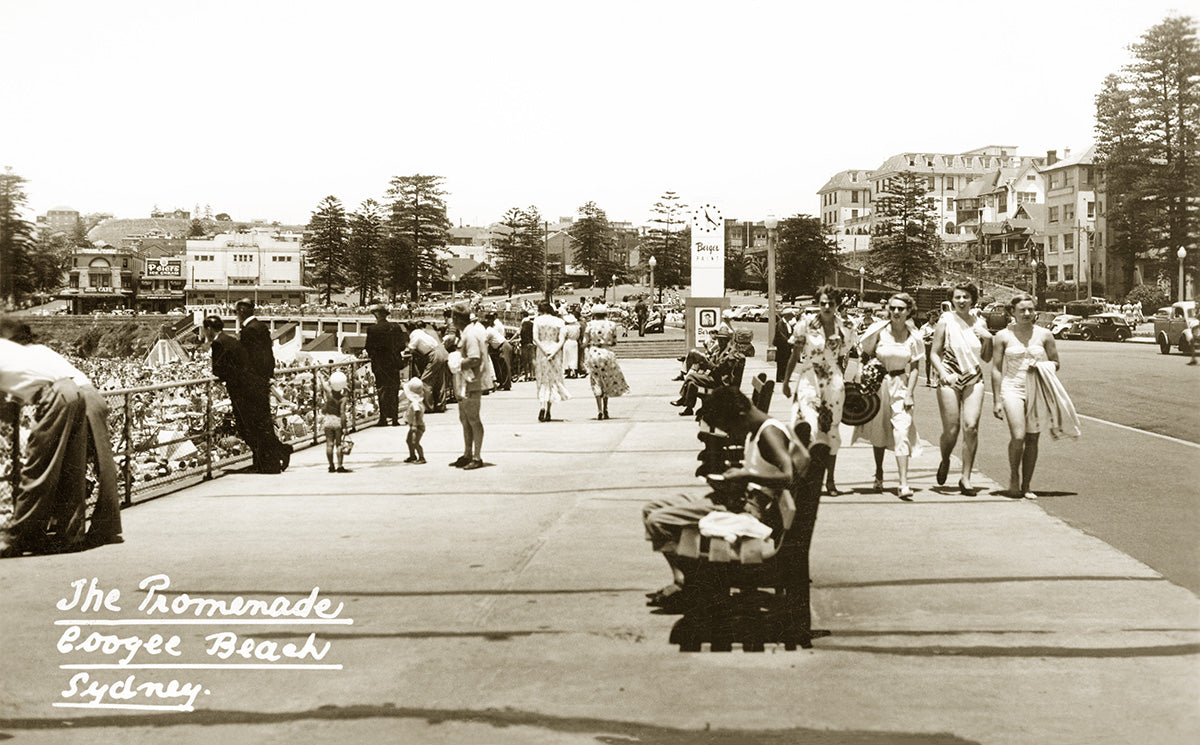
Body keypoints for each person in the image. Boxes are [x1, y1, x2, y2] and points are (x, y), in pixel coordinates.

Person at [642, 386, 809, 613]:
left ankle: (686, 585)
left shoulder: (769, 433)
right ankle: (684, 582)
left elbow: (789, 476)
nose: (731, 434)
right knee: (651, 509)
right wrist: (735, 479)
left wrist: (746, 475)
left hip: (748, 512)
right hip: (740, 500)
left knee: (657, 520)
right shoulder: (760, 428)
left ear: (740, 416)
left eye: (729, 427)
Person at [0, 317, 122, 557]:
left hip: (62, 395)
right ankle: (77, 532)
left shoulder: (17, 352)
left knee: (40, 466)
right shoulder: (35, 351)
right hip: (80, 392)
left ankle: (17, 537)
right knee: (77, 468)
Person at [781, 284, 858, 497]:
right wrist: (786, 382)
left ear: (837, 305)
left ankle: (830, 481)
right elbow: (794, 355)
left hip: (833, 382)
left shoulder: (846, 327)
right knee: (808, 427)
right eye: (822, 302)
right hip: (808, 380)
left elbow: (845, 354)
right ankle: (803, 479)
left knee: (831, 432)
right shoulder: (805, 324)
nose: (826, 306)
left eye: (830, 303)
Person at [852, 293, 923, 500]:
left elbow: (916, 367)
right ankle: (880, 472)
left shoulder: (914, 336)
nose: (896, 312)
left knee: (902, 431)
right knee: (879, 430)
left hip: (901, 385)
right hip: (879, 386)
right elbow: (864, 354)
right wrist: (861, 371)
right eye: (893, 308)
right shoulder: (879, 331)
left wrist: (909, 393)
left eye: (901, 309)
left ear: (909, 311)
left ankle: (903, 483)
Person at [991, 294, 1061, 500]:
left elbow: (1056, 362)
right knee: (1019, 436)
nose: (1027, 314)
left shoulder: (1045, 335)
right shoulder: (1003, 336)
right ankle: (1014, 477)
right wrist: (996, 400)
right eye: (1022, 310)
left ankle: (1027, 484)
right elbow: (996, 369)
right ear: (1012, 312)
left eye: (1030, 309)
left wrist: (1042, 366)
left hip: (1037, 388)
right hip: (1012, 388)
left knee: (1032, 438)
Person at [930, 283, 993, 495]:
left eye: (966, 297)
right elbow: (934, 353)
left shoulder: (980, 322)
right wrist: (943, 374)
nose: (962, 301)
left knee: (971, 426)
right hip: (950, 374)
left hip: (973, 376)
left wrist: (988, 338)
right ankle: (946, 458)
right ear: (952, 299)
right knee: (952, 430)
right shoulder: (945, 321)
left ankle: (965, 477)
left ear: (972, 299)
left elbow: (986, 357)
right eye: (958, 297)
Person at [234, 299, 290, 473]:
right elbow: (268, 355)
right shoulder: (261, 327)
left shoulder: (249, 331)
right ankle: (264, 460)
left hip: (252, 384)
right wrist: (268, 376)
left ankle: (277, 452)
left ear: (242, 311)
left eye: (237, 311)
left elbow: (250, 359)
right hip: (261, 381)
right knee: (262, 423)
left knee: (254, 425)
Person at [449, 300, 494, 470]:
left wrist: (458, 364)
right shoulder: (468, 333)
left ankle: (477, 456)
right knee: (465, 419)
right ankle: (467, 453)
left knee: (473, 419)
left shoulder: (470, 335)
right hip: (465, 382)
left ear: (456, 318)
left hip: (472, 382)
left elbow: (475, 359)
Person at [582, 303, 629, 420]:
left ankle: (599, 410)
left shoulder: (589, 325)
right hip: (607, 353)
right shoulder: (611, 325)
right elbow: (614, 342)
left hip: (593, 353)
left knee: (596, 381)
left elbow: (585, 341)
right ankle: (606, 408)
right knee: (606, 380)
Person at [364, 303, 403, 426]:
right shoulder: (395, 327)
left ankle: (383, 418)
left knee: (382, 390)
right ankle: (395, 418)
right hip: (394, 363)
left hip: (380, 364)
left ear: (376, 315)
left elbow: (368, 348)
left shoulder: (372, 329)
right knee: (394, 389)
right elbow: (402, 345)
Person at [533, 301, 569, 421]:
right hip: (555, 350)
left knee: (542, 380)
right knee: (552, 380)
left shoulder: (537, 320)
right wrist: (553, 352)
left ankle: (542, 406)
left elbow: (535, 338)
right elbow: (561, 340)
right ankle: (548, 409)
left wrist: (543, 350)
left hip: (542, 351)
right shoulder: (559, 321)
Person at [321, 370, 350, 473]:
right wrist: (345, 426)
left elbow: (324, 384)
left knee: (329, 444)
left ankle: (331, 466)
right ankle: (340, 465)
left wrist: (323, 377)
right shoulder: (343, 398)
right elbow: (342, 413)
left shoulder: (329, 393)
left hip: (328, 420)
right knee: (338, 444)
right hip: (337, 421)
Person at [402, 377, 427, 464]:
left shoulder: (415, 403)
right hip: (413, 425)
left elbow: (416, 413)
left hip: (417, 426)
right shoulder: (415, 402)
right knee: (409, 441)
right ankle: (412, 455)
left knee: (415, 442)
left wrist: (414, 425)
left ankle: (421, 457)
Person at [774, 308, 797, 383]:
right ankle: (780, 377)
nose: (792, 318)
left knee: (786, 362)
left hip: (787, 346)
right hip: (782, 346)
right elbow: (780, 334)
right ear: (787, 316)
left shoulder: (787, 324)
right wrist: (788, 341)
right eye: (791, 316)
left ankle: (784, 376)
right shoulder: (780, 323)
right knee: (781, 362)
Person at [562, 312, 581, 378]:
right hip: (574, 342)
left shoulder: (566, 327)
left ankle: (569, 371)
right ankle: (574, 371)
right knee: (574, 357)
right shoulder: (577, 327)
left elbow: (563, 335)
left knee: (567, 357)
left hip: (568, 341)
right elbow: (578, 335)